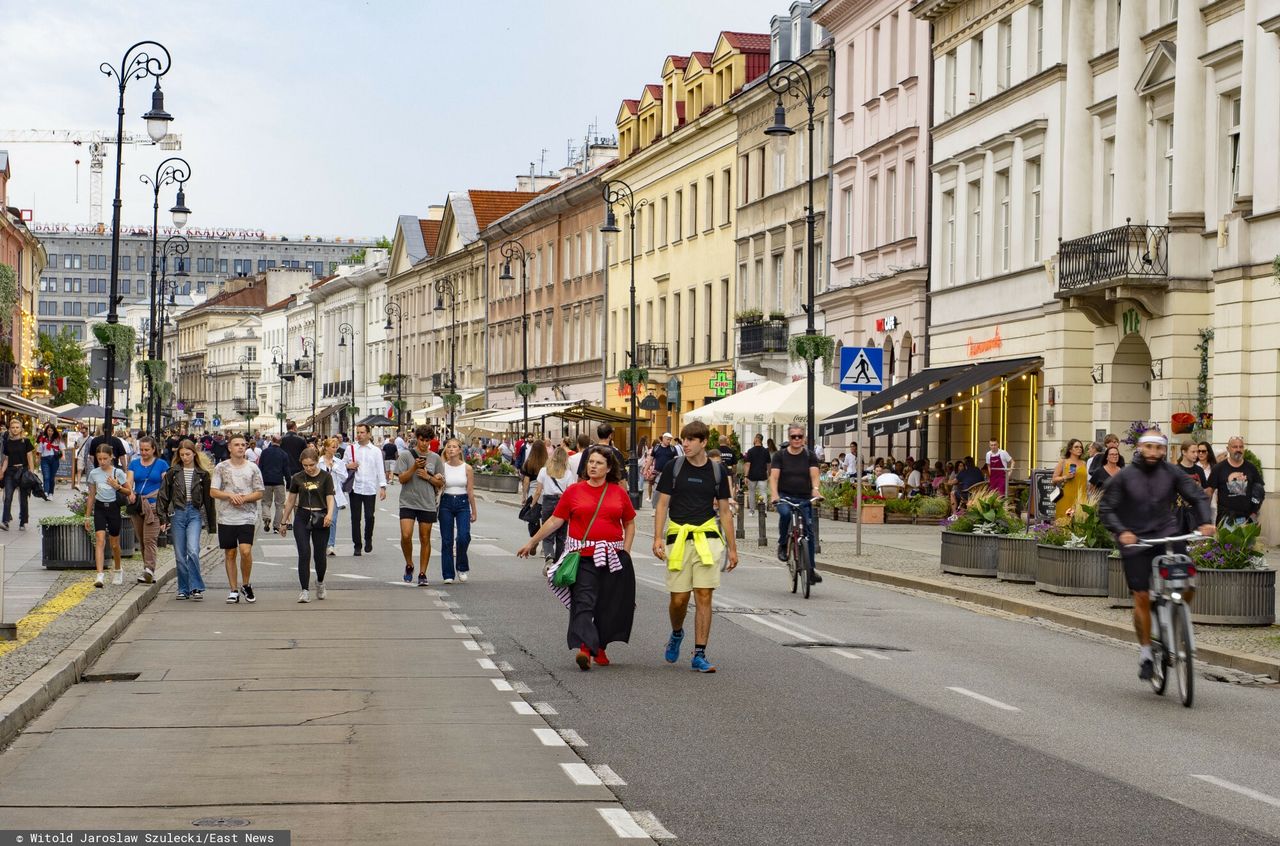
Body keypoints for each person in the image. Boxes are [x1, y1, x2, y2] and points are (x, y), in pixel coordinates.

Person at [1099, 430, 1213, 681]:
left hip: (1167, 535)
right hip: (1136, 541)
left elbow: (1196, 496)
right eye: (1148, 447)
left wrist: (1206, 522)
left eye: (1158, 448)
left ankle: (1174, 615)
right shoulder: (1125, 477)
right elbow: (1107, 509)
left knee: (1188, 580)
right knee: (1140, 596)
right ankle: (1147, 652)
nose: (1153, 453)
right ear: (1140, 448)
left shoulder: (1172, 473)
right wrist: (1122, 531)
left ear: (1164, 450)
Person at [518, 445, 637, 671]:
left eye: (599, 463)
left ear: (609, 468)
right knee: (583, 602)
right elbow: (555, 520)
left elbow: (629, 523)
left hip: (612, 557)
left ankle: (599, 646)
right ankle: (585, 648)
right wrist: (532, 541)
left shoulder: (618, 493)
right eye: (591, 462)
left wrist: (626, 552)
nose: (593, 466)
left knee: (607, 605)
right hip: (581, 557)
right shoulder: (574, 491)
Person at [653, 421, 738, 673]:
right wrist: (657, 537)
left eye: (691, 440)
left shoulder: (717, 470)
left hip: (707, 537)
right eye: (683, 440)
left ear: (703, 442)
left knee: (704, 594)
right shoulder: (673, 467)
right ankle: (677, 632)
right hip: (678, 536)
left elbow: (724, 511)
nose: (685, 444)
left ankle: (699, 653)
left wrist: (733, 549)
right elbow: (661, 505)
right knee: (679, 600)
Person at [157, 440, 216, 601]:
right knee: (180, 554)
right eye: (182, 455)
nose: (185, 457)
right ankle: (183, 588)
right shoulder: (173, 472)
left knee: (193, 550)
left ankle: (196, 586)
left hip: (194, 513)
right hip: (177, 513)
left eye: (187, 454)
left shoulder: (202, 474)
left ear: (194, 454)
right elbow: (163, 496)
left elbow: (209, 502)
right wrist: (162, 517)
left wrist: (212, 525)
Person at [210, 433, 265, 604]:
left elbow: (260, 491)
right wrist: (229, 496)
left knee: (245, 551)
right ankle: (233, 589)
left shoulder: (253, 468)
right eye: (237, 445)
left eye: (243, 445)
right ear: (229, 447)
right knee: (230, 552)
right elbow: (213, 491)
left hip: (247, 515)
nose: (241, 447)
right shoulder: (221, 467)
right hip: (227, 516)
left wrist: (244, 498)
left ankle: (246, 584)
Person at [280, 447, 335, 603]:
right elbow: (290, 500)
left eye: (311, 465)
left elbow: (330, 497)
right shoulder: (297, 478)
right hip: (303, 516)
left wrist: (330, 514)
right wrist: (284, 521)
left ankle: (320, 581)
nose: (309, 468)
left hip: (321, 516)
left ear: (317, 461)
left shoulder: (325, 477)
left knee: (319, 555)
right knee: (304, 553)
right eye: (305, 465)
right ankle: (304, 590)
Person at [769, 423, 822, 583]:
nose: (797, 439)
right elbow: (774, 477)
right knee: (785, 514)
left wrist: (815, 489)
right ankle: (783, 544)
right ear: (789, 438)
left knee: (809, 532)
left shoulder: (809, 455)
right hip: (785, 496)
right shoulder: (780, 456)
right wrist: (774, 494)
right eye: (794, 437)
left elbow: (814, 475)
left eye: (800, 436)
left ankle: (811, 569)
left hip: (804, 497)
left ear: (804, 438)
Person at [395, 425, 444, 584]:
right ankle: (409, 563)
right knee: (406, 535)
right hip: (408, 501)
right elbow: (401, 479)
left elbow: (440, 483)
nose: (424, 444)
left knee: (425, 538)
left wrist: (428, 477)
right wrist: (414, 467)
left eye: (427, 441)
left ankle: (423, 574)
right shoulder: (405, 455)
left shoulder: (435, 458)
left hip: (427, 502)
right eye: (421, 440)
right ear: (417, 438)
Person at [85, 444, 131, 588]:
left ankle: (118, 569)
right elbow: (91, 495)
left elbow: (129, 492)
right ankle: (100, 574)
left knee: (114, 544)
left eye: (105, 458)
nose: (102, 461)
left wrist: (116, 486)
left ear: (111, 457)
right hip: (99, 508)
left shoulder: (118, 472)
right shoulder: (94, 473)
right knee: (99, 540)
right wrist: (87, 516)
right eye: (99, 459)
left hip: (113, 508)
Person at [126, 436, 169, 584]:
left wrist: (166, 506)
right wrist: (130, 492)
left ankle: (149, 569)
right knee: (142, 540)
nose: (143, 452)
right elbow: (129, 481)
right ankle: (148, 570)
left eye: (147, 450)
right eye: (141, 449)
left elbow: (166, 485)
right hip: (138, 505)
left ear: (153, 449)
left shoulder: (162, 464)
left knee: (150, 539)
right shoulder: (134, 464)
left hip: (154, 506)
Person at [437, 438, 477, 585]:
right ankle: (448, 573)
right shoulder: (442, 467)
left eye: (454, 447)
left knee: (463, 536)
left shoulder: (467, 468)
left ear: (460, 450)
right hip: (446, 501)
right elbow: (437, 486)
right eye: (449, 447)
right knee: (447, 540)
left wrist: (474, 511)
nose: (451, 449)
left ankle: (461, 566)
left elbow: (470, 491)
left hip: (462, 502)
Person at [347, 424, 388, 557]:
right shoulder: (351, 448)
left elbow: (380, 469)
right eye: (357, 432)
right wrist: (349, 465)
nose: (359, 435)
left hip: (369, 487)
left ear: (369, 434)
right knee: (355, 518)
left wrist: (382, 486)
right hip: (355, 487)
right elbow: (341, 465)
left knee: (369, 516)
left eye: (362, 432)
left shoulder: (375, 451)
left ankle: (368, 538)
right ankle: (357, 545)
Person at [1206, 435, 1265, 527]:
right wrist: (1206, 517)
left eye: (1241, 447)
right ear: (1228, 449)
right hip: (1225, 519)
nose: (1238, 449)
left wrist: (1254, 513)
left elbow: (1259, 491)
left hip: (1246, 519)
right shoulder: (1218, 468)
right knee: (1226, 542)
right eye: (1235, 447)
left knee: (1247, 542)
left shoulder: (1251, 468)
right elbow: (1209, 492)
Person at [532, 445, 576, 563]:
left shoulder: (543, 471)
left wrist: (533, 504)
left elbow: (538, 490)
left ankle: (549, 556)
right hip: (563, 502)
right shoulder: (568, 473)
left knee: (547, 532)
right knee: (561, 535)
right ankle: (558, 561)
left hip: (548, 501)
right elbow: (570, 492)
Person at [0, 418, 35, 531]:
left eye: (17, 427)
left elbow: (30, 458)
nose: (15, 429)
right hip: (10, 472)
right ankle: (5, 521)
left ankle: (23, 521)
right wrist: (2, 471)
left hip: (23, 471)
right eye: (13, 427)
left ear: (21, 429)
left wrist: (32, 472)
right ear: (10, 429)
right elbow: (6, 459)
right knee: (8, 497)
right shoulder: (7, 442)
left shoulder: (26, 441)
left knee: (23, 498)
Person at [318, 436, 349, 556]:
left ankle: (330, 545)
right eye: (333, 447)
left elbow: (345, 477)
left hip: (334, 494)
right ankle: (321, 543)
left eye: (336, 447)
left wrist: (334, 468)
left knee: (332, 519)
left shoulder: (339, 462)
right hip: (320, 494)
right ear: (326, 448)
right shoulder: (319, 461)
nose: (335, 449)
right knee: (320, 518)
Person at [257, 436, 289, 533]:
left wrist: (259, 480)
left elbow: (260, 467)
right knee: (279, 505)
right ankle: (276, 526)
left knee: (265, 502)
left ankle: (266, 517)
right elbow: (286, 470)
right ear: (281, 442)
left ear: (272, 441)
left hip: (266, 481)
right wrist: (289, 482)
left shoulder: (265, 452)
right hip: (279, 481)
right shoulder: (283, 454)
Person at [1052, 439, 1088, 520]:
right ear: (1070, 449)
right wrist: (1065, 477)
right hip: (1066, 496)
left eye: (1080, 447)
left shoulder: (1084, 463)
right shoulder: (1063, 462)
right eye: (1076, 447)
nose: (1079, 449)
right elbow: (1054, 479)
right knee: (1064, 522)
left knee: (1080, 522)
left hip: (1081, 497)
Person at [742, 434, 771, 514]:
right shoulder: (766, 451)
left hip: (752, 475)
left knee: (751, 493)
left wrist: (746, 476)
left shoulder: (750, 451)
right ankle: (763, 511)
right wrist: (769, 473)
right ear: (761, 440)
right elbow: (769, 464)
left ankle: (752, 511)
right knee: (763, 493)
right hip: (762, 475)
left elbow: (748, 464)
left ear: (756, 439)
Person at [36, 423, 61, 497]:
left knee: (51, 477)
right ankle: (46, 491)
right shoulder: (43, 439)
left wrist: (63, 456)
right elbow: (40, 450)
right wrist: (38, 459)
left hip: (54, 459)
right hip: (45, 459)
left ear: (54, 432)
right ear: (46, 430)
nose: (50, 432)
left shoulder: (57, 439)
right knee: (46, 476)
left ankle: (51, 493)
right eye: (49, 430)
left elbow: (62, 448)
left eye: (52, 431)